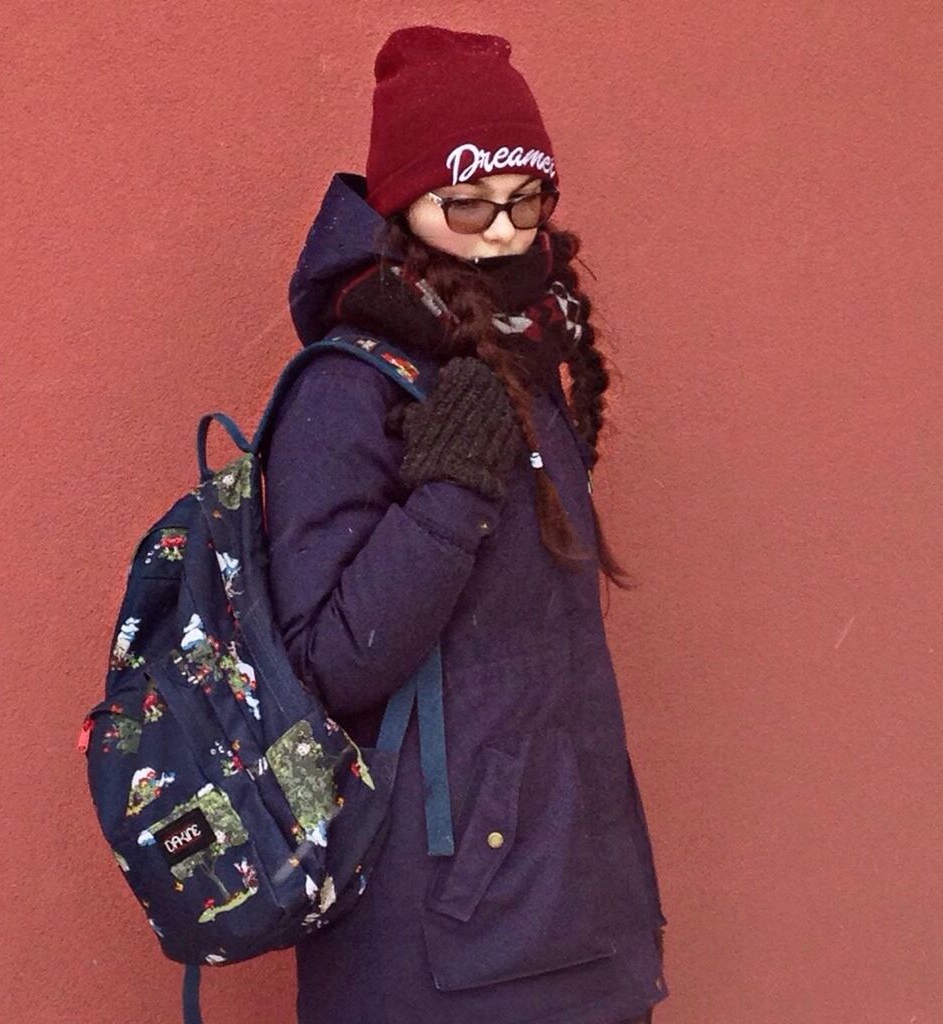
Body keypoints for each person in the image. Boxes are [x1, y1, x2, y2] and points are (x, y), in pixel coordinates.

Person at [263, 24, 668, 1024]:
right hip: (440, 940)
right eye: (468, 204)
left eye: (525, 202)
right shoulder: (349, 388)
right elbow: (330, 660)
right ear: (403, 205)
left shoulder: (529, 356)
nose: (500, 231)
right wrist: (448, 490)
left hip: (574, 907)